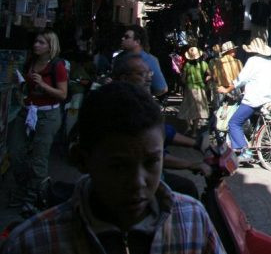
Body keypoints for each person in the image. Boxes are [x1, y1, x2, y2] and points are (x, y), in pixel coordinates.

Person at [0, 81, 225, 253]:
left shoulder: (193, 219)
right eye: (118, 166)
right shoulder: (33, 242)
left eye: (151, 162)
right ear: (81, 160)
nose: (138, 182)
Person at [113, 54, 210, 199]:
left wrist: (197, 144)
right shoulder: (125, 107)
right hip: (132, 180)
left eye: (149, 73)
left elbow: (164, 132)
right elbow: (153, 154)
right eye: (141, 74)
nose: (149, 78)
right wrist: (190, 164)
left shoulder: (142, 103)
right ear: (124, 78)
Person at [7, 30, 68, 214]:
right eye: (36, 42)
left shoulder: (57, 66)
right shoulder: (30, 62)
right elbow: (26, 87)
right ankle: (23, 186)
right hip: (27, 111)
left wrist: (43, 84)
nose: (36, 45)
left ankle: (32, 196)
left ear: (51, 46)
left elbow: (63, 94)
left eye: (41, 43)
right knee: (15, 151)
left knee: (39, 158)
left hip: (47, 115)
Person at [217, 38, 271, 162]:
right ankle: (244, 145)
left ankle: (245, 152)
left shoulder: (253, 61)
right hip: (269, 98)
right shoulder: (270, 62)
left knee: (234, 123)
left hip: (255, 98)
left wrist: (227, 89)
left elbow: (241, 79)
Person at [114, 25, 168, 97]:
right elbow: (162, 89)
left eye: (127, 37)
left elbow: (162, 88)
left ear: (137, 42)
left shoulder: (149, 60)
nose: (123, 39)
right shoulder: (119, 58)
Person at [179, 47, 211, 136]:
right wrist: (206, 82)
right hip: (201, 88)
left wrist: (185, 83)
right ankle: (194, 132)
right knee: (197, 110)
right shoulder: (204, 64)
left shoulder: (187, 65)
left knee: (186, 107)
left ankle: (188, 126)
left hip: (190, 89)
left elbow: (183, 79)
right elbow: (210, 75)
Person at [210, 41, 242, 109]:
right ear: (230, 51)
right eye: (234, 49)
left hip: (222, 89)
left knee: (220, 111)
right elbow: (242, 78)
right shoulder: (238, 62)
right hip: (235, 89)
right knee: (235, 110)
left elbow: (215, 78)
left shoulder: (218, 62)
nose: (235, 51)